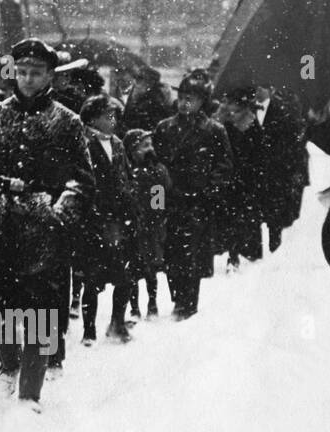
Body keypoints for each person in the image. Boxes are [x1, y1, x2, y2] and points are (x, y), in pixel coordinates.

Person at [0, 39, 95, 408]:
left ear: (50, 75)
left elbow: (82, 181)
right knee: (0, 307)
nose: (27, 79)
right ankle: (8, 366)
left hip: (44, 233)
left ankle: (30, 394)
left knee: (41, 312)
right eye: (21, 72)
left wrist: (57, 212)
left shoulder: (68, 122)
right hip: (3, 228)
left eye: (36, 73)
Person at [151, 73, 234, 320]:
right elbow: (155, 166)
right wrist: (157, 201)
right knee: (171, 252)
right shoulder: (164, 128)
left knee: (193, 253)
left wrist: (211, 192)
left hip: (199, 200)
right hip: (171, 198)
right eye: (182, 97)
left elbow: (225, 165)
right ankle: (178, 296)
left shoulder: (214, 130)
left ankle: (188, 302)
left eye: (191, 98)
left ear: (202, 101)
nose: (185, 103)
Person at [77, 94, 137, 344]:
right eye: (108, 116)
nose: (113, 121)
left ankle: (117, 322)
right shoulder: (82, 142)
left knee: (124, 277)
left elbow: (126, 175)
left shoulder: (118, 143)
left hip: (118, 220)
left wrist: (130, 200)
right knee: (92, 279)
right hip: (93, 218)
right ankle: (88, 330)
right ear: (93, 118)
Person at [252, 85, 307, 253]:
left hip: (276, 169)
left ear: (269, 89)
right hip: (255, 169)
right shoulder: (247, 109)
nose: (256, 91)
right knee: (254, 211)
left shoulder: (283, 111)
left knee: (274, 212)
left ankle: (274, 245)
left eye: (260, 88)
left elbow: (293, 140)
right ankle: (255, 250)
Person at [123, 129, 170, 320]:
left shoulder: (157, 171)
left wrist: (155, 222)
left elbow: (158, 201)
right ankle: (134, 307)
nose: (150, 149)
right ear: (133, 150)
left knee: (150, 268)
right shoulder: (126, 172)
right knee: (132, 270)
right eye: (144, 145)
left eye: (151, 144)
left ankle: (152, 303)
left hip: (150, 227)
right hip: (131, 226)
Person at [217, 86, 267, 267]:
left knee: (243, 217)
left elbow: (258, 155)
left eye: (233, 105)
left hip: (245, 179)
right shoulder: (223, 123)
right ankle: (233, 252)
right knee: (232, 217)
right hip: (231, 177)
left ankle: (244, 251)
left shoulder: (251, 125)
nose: (229, 108)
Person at [116, 65, 175, 133]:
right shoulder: (137, 95)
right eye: (136, 78)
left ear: (150, 83)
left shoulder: (155, 101)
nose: (135, 82)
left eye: (140, 78)